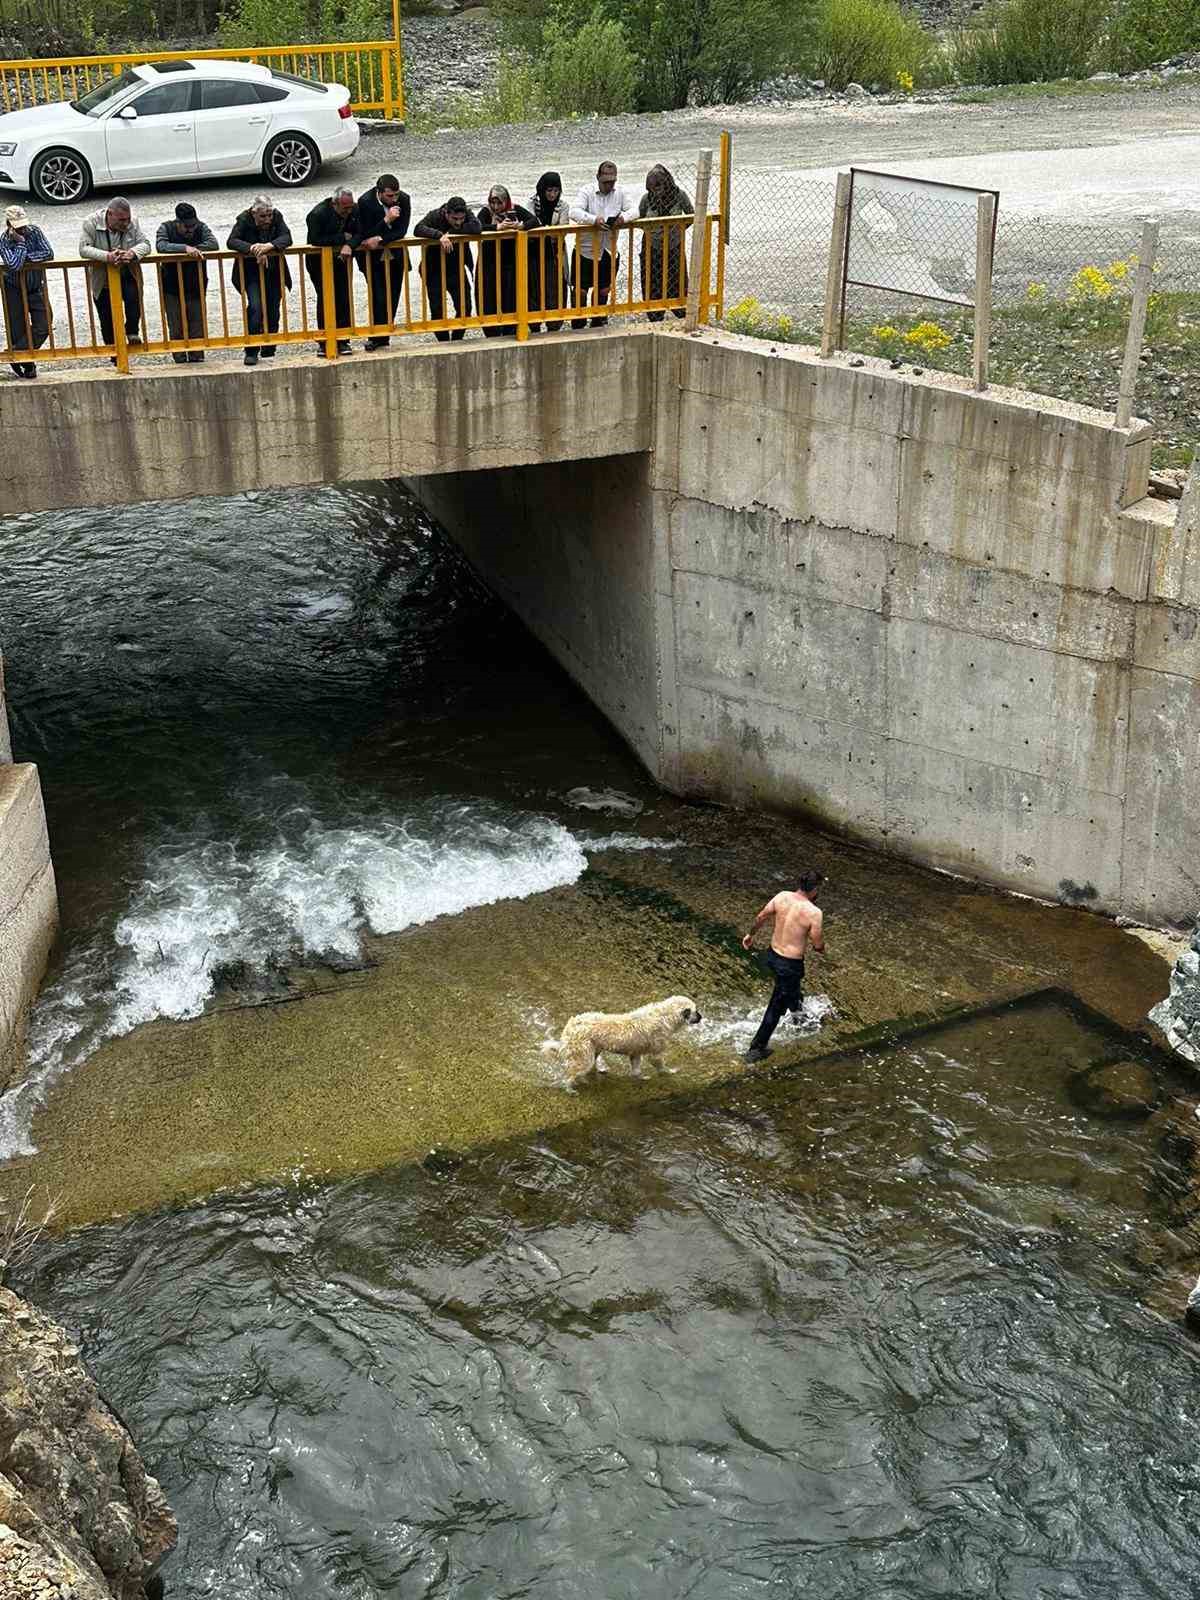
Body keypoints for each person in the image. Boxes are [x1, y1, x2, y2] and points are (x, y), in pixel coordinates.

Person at [740, 871, 825, 1064]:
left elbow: (761, 916)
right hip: (790, 964)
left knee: (791, 991)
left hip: (772, 955)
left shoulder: (782, 896)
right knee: (776, 1006)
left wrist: (750, 935)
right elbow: (817, 943)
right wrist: (821, 949)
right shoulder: (814, 912)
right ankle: (756, 1048)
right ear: (815, 889)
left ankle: (799, 1017)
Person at [79, 197, 150, 362]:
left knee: (134, 301)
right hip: (102, 278)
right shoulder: (90, 222)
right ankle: (114, 353)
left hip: (127, 272)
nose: (126, 224)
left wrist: (131, 253)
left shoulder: (133, 222)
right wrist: (108, 257)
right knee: (106, 316)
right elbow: (84, 249)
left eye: (127, 219)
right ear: (109, 214)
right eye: (121, 220)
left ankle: (132, 331)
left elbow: (146, 244)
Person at [568, 160, 637, 329]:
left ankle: (598, 319)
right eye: (606, 181)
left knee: (603, 289)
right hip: (585, 250)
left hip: (608, 250)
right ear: (597, 177)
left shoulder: (620, 192)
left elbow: (635, 210)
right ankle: (578, 319)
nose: (609, 185)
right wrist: (594, 220)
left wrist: (623, 218)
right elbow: (574, 211)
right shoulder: (586, 191)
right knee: (580, 290)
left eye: (612, 181)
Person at [228, 197, 292, 367]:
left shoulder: (277, 216)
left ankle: (269, 348)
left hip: (274, 272)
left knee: (273, 310)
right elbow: (232, 241)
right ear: (253, 213)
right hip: (251, 273)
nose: (267, 220)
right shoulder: (243, 219)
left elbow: (287, 237)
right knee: (255, 308)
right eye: (263, 216)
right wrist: (253, 248)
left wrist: (269, 246)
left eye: (269, 215)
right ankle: (251, 350)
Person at [155, 202, 218, 363]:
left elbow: (213, 244)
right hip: (171, 286)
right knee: (176, 326)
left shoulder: (201, 227)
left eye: (193, 225)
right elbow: (161, 246)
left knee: (197, 325)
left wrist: (194, 248)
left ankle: (197, 358)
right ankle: (180, 359)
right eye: (186, 226)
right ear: (177, 223)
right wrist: (185, 249)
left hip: (196, 285)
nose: (191, 230)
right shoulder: (165, 228)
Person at [355, 173, 411, 350]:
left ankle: (384, 334)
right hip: (373, 260)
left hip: (395, 255)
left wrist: (379, 239)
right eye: (389, 196)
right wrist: (386, 220)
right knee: (378, 296)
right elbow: (364, 233)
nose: (394, 199)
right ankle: (377, 335)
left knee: (393, 296)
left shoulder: (404, 199)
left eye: (396, 195)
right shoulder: (365, 202)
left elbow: (400, 231)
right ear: (379, 193)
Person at [414, 196, 481, 342]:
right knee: (437, 309)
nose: (458, 222)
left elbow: (477, 227)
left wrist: (450, 233)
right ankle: (444, 341)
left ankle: (456, 338)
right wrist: (439, 235)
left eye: (461, 219)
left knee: (465, 307)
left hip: (456, 267)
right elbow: (418, 228)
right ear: (446, 213)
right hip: (433, 269)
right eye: (454, 219)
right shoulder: (435, 215)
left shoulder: (467, 214)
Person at [305, 185, 359, 356]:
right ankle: (324, 340)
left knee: (343, 297)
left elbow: (359, 232)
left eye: (351, 207)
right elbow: (316, 239)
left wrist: (349, 245)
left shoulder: (353, 210)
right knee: (325, 298)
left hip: (341, 260)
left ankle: (343, 339)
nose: (349, 212)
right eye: (345, 209)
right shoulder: (317, 214)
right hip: (318, 262)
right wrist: (342, 238)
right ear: (335, 204)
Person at [0, 204, 52, 378]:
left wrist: (25, 258)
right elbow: (14, 265)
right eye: (18, 227)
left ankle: (15, 353)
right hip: (13, 288)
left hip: (35, 285)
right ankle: (28, 365)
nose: (22, 229)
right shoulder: (4, 240)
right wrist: (22, 245)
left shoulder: (34, 231)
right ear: (9, 226)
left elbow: (48, 252)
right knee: (17, 330)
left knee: (43, 325)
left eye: (23, 225)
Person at [475, 184, 534, 338]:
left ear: (506, 201)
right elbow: (476, 226)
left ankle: (510, 329)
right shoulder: (486, 211)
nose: (496, 206)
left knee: (510, 296)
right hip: (488, 263)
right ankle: (491, 331)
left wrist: (520, 225)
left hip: (510, 262)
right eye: (493, 202)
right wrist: (496, 228)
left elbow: (534, 221)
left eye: (499, 203)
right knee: (488, 297)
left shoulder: (514, 209)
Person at [638, 164, 691, 321]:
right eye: (652, 188)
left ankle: (681, 310)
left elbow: (691, 215)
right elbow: (640, 218)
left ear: (667, 184)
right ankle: (655, 313)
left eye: (659, 186)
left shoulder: (679, 195)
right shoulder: (647, 199)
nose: (656, 191)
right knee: (652, 280)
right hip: (651, 246)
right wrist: (653, 233)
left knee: (677, 279)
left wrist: (676, 232)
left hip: (674, 245)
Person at [527, 170, 568, 334]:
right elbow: (529, 225)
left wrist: (543, 231)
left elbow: (561, 230)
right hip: (534, 254)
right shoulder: (531, 204)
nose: (552, 194)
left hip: (554, 254)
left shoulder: (563, 206)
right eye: (549, 190)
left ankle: (554, 324)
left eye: (556, 191)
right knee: (533, 288)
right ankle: (534, 324)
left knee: (555, 289)